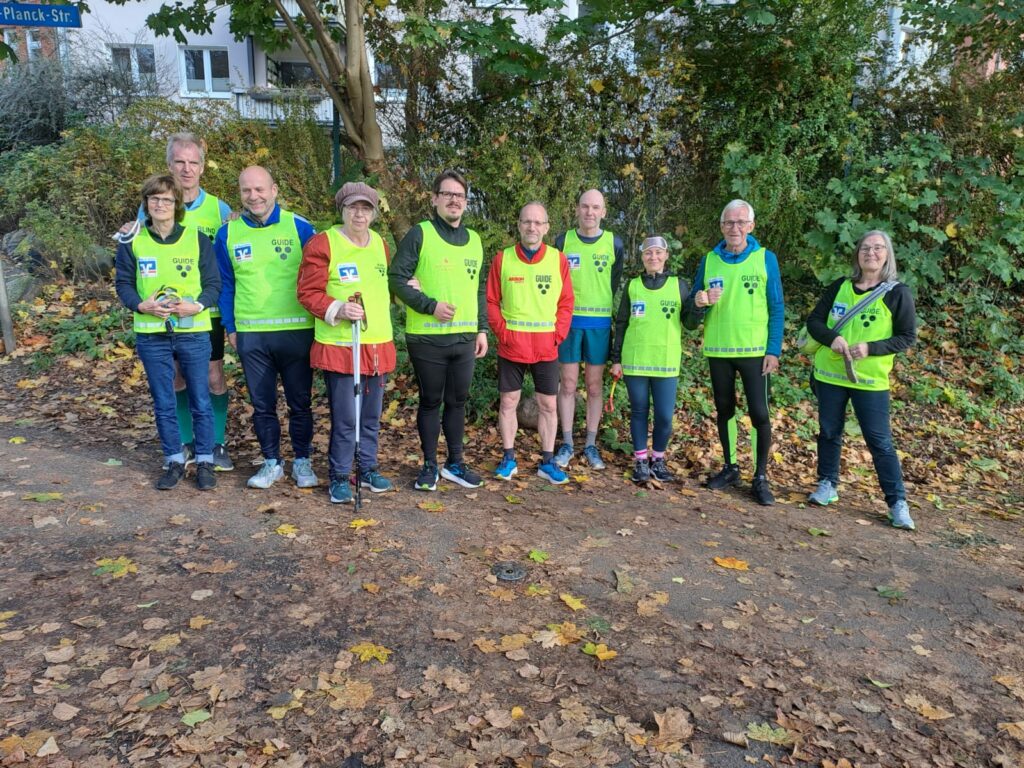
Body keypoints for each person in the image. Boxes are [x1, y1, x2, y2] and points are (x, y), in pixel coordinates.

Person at [122, 134, 235, 470]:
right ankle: (185, 443)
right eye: (180, 162)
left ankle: (216, 444)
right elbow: (135, 252)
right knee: (175, 378)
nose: (187, 169)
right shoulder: (151, 207)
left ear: (202, 167)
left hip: (205, 312)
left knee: (213, 377)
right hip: (162, 317)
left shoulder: (220, 209)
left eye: (193, 162)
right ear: (169, 165)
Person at [804, 230, 917, 530]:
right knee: (829, 431)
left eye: (878, 248)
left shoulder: (897, 293)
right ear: (857, 254)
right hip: (830, 375)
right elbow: (814, 321)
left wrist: (870, 348)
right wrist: (833, 338)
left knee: (879, 441)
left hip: (870, 380)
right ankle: (827, 484)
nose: (871, 253)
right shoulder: (840, 287)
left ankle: (897, 502)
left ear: (887, 254)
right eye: (865, 248)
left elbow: (907, 337)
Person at [114, 173, 220, 491]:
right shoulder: (132, 240)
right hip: (152, 335)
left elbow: (214, 285)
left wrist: (197, 306)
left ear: (177, 205)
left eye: (167, 200)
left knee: (200, 398)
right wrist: (141, 305)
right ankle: (174, 459)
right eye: (154, 199)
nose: (160, 204)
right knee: (164, 400)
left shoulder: (197, 239)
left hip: (193, 331)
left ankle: (205, 460)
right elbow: (123, 284)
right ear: (146, 204)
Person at [215, 166, 317, 490]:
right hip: (251, 334)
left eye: (260, 189)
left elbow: (318, 278)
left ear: (274, 190)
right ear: (240, 193)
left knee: (300, 402)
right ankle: (271, 462)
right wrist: (230, 327)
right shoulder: (227, 234)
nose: (253, 196)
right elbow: (225, 285)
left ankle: (302, 461)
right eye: (247, 190)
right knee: (262, 405)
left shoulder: (300, 227)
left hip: (297, 331)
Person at [389, 170, 488, 492]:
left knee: (458, 402)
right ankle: (430, 465)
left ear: (466, 202)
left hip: (464, 338)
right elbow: (397, 279)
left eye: (459, 195)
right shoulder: (421, 233)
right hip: (428, 338)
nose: (454, 200)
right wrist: (430, 305)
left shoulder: (474, 240)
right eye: (447, 194)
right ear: (434, 199)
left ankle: (455, 463)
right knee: (431, 401)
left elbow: (478, 290)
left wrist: (482, 329)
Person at [297, 182, 396, 503]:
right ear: (342, 209)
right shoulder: (323, 244)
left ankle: (366, 468)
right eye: (353, 207)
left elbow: (384, 288)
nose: (359, 214)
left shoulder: (380, 244)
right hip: (342, 347)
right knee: (345, 418)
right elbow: (307, 293)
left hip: (377, 343)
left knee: (370, 416)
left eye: (366, 208)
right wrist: (338, 308)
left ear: (374, 213)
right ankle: (340, 474)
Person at [688, 199, 784, 506]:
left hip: (755, 351)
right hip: (719, 350)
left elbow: (777, 307)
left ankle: (760, 476)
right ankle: (730, 467)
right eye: (729, 223)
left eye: (741, 222)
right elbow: (692, 305)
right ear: (721, 227)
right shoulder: (709, 260)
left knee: (758, 412)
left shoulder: (765, 258)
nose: (735, 228)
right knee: (724, 409)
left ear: (751, 226)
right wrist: (700, 301)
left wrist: (773, 349)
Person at [486, 201, 574, 484]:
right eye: (527, 222)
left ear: (546, 227)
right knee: (508, 402)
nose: (532, 227)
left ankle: (547, 462)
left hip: (546, 348)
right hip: (512, 346)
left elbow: (566, 303)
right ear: (519, 225)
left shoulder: (558, 260)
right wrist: (503, 333)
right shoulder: (503, 259)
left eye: (538, 222)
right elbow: (491, 300)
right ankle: (509, 458)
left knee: (548, 405)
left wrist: (556, 335)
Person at [610, 236, 692, 483]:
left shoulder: (679, 285)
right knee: (639, 412)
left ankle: (658, 459)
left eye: (658, 252)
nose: (653, 257)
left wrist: (699, 306)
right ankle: (641, 461)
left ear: (666, 256)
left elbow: (689, 322)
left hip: (666, 362)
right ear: (642, 257)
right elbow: (622, 322)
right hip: (635, 361)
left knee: (665, 416)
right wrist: (616, 359)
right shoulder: (633, 286)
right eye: (648, 253)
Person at [553, 189, 625, 471]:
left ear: (604, 212)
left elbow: (614, 281)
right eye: (585, 206)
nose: (590, 212)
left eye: (596, 207)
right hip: (569, 323)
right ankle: (568, 443)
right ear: (577, 209)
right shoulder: (563, 240)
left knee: (594, 387)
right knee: (568, 385)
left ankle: (591, 444)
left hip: (598, 325)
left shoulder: (614, 243)